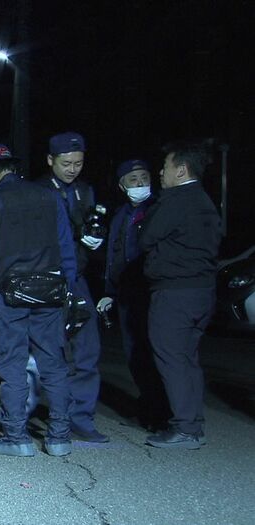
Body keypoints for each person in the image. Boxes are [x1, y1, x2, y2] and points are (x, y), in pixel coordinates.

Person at [0, 144, 78, 457]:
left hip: (8, 293)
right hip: (51, 290)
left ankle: (16, 436)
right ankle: (59, 437)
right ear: (13, 168)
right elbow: (66, 247)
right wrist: (71, 284)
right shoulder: (50, 196)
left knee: (13, 363)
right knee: (54, 364)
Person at [139, 141, 221, 449]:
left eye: (167, 167)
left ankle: (184, 428)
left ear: (181, 170)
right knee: (188, 358)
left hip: (175, 293)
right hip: (202, 291)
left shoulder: (177, 199)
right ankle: (193, 424)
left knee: (172, 357)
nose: (161, 172)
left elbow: (147, 237)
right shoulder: (204, 200)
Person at [39, 131, 108, 442]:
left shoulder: (84, 191)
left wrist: (94, 239)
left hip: (77, 278)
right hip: (47, 278)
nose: (72, 169)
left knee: (87, 347)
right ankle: (51, 415)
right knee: (50, 350)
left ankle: (81, 417)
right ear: (51, 160)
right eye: (66, 163)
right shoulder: (38, 191)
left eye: (78, 163)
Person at [97, 159, 167, 430]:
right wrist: (109, 292)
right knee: (134, 354)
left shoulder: (158, 208)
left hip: (150, 291)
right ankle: (147, 405)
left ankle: (161, 412)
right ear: (122, 185)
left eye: (144, 177)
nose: (140, 184)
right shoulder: (121, 215)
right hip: (126, 294)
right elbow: (114, 256)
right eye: (133, 180)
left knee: (154, 352)